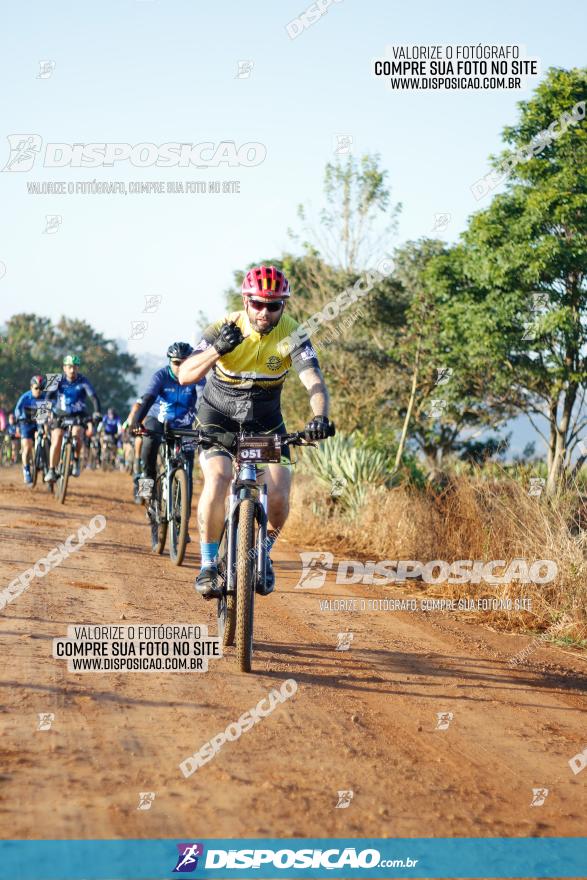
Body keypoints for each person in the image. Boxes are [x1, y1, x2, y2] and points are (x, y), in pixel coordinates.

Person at [178, 264, 331, 600]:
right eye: (258, 304)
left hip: (263, 422)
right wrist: (217, 349)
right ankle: (206, 564)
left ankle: (262, 551)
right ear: (246, 301)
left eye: (273, 305)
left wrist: (320, 416)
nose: (265, 312)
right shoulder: (223, 326)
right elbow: (185, 375)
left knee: (278, 493)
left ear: (284, 306)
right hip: (218, 415)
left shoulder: (293, 333)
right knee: (218, 478)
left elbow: (314, 381)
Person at [128, 343, 204, 547]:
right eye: (176, 363)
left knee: (186, 473)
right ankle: (146, 485)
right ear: (170, 362)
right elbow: (148, 398)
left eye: (185, 362)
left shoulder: (198, 377)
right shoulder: (160, 376)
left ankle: (183, 524)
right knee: (149, 447)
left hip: (185, 424)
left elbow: (207, 399)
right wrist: (136, 421)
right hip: (158, 420)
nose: (181, 367)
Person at [44, 354, 101, 482]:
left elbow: (94, 397)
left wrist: (97, 412)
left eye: (75, 367)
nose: (72, 370)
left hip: (78, 414)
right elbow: (47, 397)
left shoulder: (83, 380)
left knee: (77, 433)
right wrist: (45, 414)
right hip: (59, 413)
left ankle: (75, 460)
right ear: (64, 368)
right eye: (69, 367)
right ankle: (52, 470)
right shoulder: (55, 378)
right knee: (57, 437)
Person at [14, 375, 47, 484]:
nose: (39, 391)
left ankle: (42, 459)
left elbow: (48, 413)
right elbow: (17, 410)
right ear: (31, 387)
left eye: (41, 388)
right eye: (36, 388)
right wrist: (18, 418)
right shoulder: (25, 397)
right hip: (26, 423)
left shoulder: (44, 397)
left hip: (38, 422)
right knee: (27, 446)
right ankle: (26, 470)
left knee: (43, 437)